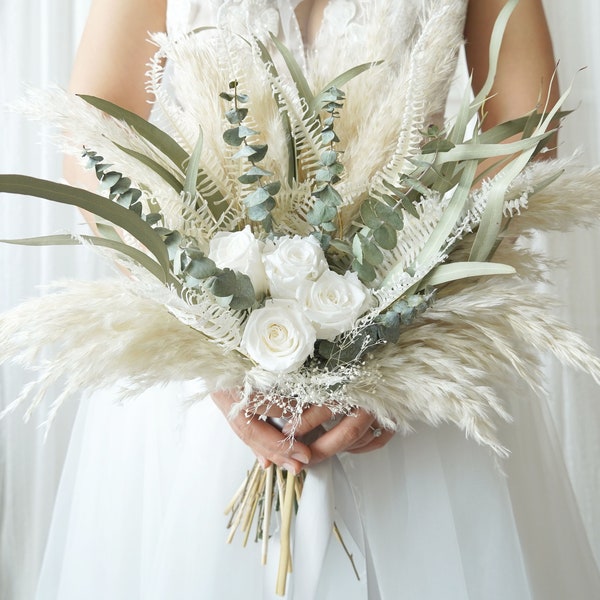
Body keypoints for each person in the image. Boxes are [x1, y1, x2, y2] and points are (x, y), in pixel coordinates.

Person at [34, 0, 600, 598]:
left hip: (422, 325)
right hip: (199, 357)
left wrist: (408, 338)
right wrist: (204, 332)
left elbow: (524, 120)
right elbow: (97, 121)